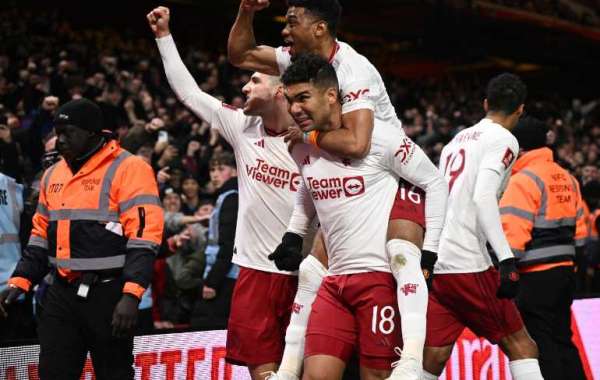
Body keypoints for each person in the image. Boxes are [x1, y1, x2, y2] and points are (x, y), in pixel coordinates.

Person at [228, 2, 443, 378]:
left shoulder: (353, 70)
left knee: (400, 253)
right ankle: (292, 367)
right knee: (313, 269)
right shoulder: (302, 65)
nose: (284, 31)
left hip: (391, 173)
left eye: (292, 22)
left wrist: (307, 135)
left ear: (320, 28)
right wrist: (246, 12)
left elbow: (359, 142)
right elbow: (241, 55)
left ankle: (410, 360)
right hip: (339, 167)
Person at [148, 7, 305, 378]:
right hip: (254, 274)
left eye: (254, 81)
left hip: (305, 276)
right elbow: (189, 93)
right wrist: (164, 36)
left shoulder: (316, 140)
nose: (245, 87)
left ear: (280, 89)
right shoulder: (241, 127)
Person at [275, 53, 447, 380]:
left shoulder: (380, 138)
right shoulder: (299, 145)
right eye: (291, 100)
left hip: (380, 280)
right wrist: (294, 232)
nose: (295, 109)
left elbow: (435, 182)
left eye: (303, 98)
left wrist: (430, 250)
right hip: (335, 283)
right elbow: (309, 187)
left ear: (330, 95)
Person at [0, 98, 164, 379]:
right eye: (57, 132)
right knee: (53, 372)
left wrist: (131, 294)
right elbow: (40, 236)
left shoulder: (130, 168)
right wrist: (21, 279)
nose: (59, 140)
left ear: (92, 133)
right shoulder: (53, 174)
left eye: (68, 133)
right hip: (61, 292)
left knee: (114, 373)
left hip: (109, 293)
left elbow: (144, 237)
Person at [422, 73, 543, 380]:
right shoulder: (504, 139)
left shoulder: (454, 142)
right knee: (523, 346)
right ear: (520, 110)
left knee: (432, 358)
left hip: (438, 262)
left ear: (486, 104)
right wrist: (506, 259)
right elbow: (483, 197)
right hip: (467, 262)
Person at [500, 116, 587, 380]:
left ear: (520, 148)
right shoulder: (568, 178)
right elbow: (581, 234)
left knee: (540, 343)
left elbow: (512, 236)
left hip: (535, 276)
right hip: (565, 274)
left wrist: (504, 271)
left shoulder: (521, 181)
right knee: (562, 338)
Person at [192, 152, 239, 329]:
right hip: (224, 274)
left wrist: (212, 281)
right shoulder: (225, 196)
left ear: (234, 172)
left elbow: (228, 244)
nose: (214, 174)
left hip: (225, 277)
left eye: (221, 169)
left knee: (209, 327)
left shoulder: (231, 198)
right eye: (212, 169)